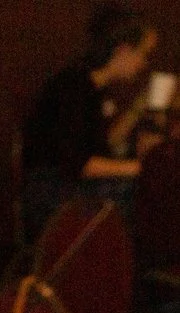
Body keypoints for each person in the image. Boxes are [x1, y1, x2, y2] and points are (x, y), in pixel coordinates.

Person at [21, 3, 163, 236]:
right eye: (143, 54)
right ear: (123, 51)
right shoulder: (74, 87)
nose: (144, 64)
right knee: (144, 194)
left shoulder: (93, 88)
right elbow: (81, 163)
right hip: (51, 192)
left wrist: (139, 108)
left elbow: (102, 145)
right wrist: (143, 167)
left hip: (65, 186)